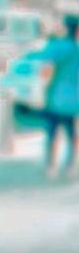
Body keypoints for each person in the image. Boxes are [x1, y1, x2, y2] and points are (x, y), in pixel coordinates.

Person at [27, 14, 79, 179]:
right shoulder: (76, 49)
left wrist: (42, 87)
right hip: (73, 99)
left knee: (52, 133)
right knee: (71, 133)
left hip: (56, 97)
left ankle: (51, 165)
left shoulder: (58, 47)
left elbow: (45, 65)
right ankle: (70, 165)